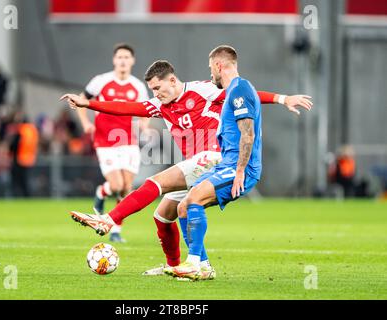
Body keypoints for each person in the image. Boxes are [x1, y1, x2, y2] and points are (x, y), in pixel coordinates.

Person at [61, 59, 312, 279]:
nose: (156, 94)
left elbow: (244, 95)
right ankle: (180, 266)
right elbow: (127, 108)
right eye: (152, 90)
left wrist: (282, 98)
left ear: (172, 80)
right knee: (163, 214)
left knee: (156, 182)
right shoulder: (161, 106)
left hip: (214, 157)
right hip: (197, 165)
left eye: (158, 88)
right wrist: (87, 104)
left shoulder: (202, 90)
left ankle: (108, 219)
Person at [171, 45, 283, 280]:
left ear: (219, 65)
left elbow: (248, 133)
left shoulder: (240, 89)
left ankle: (192, 264)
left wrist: (240, 170)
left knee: (193, 199)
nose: (211, 74)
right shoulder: (234, 90)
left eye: (211, 68)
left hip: (240, 167)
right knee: (182, 207)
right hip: (227, 165)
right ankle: (204, 267)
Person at [76, 43, 150, 243]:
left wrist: (144, 125)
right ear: (114, 60)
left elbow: (146, 111)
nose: (123, 61)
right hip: (104, 140)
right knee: (116, 184)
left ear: (132, 61)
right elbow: (82, 100)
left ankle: (116, 230)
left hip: (128, 140)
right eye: (120, 57)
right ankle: (101, 192)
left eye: (127, 57)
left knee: (126, 188)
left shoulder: (138, 86)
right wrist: (85, 123)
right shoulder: (101, 81)